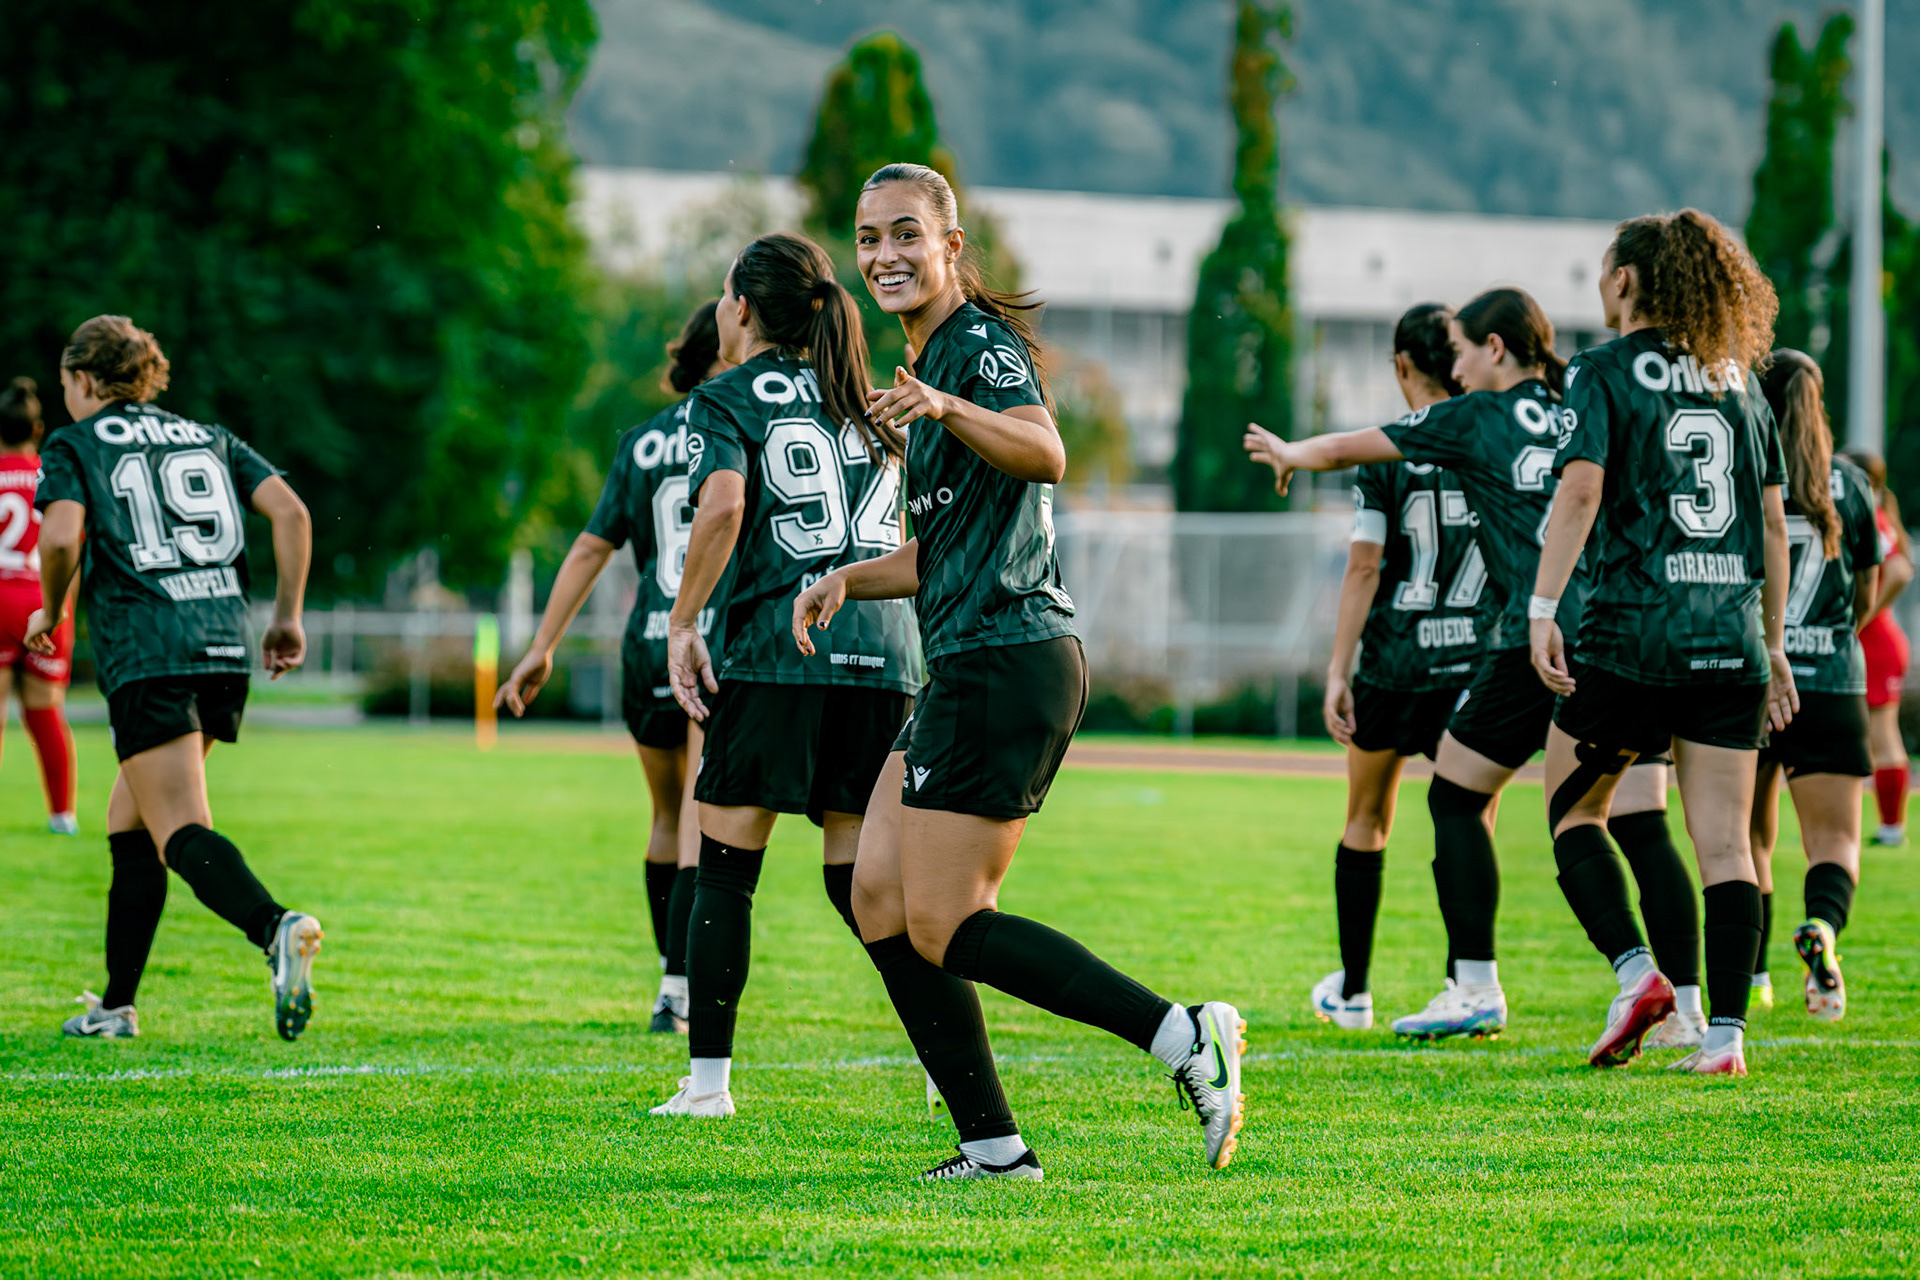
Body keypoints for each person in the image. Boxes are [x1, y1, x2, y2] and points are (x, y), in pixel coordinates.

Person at [792, 162, 1246, 1181]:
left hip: (1009, 656)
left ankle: (1184, 1033)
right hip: (967, 658)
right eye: (869, 239)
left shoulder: (975, 352)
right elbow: (937, 552)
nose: (885, 255)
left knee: (949, 921)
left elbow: (1047, 452)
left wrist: (946, 406)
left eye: (907, 234)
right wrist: (844, 580)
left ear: (953, 246)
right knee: (875, 892)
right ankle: (993, 1147)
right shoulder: (932, 364)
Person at [1249, 288, 1703, 1050]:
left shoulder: (1474, 416)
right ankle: (1690, 1010)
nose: (1454, 366)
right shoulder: (1581, 399)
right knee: (1640, 818)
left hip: (1540, 635)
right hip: (1629, 628)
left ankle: (1490, 985)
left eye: (1462, 348)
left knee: (1460, 796)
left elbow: (1353, 447)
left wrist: (1294, 452)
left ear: (1496, 349)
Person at [650, 231, 923, 1119]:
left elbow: (724, 506)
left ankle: (708, 1088)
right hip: (884, 658)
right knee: (860, 885)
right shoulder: (870, 401)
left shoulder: (725, 397)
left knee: (727, 869)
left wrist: (685, 620)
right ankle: (943, 1059)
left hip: (776, 651)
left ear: (740, 308)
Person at [1528, 209, 1789, 1077]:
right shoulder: (1740, 380)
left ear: (1631, 280)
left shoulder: (1603, 369)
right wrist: (1776, 644)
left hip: (1634, 636)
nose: (1601, 284)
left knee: (1573, 810)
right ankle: (1724, 1039)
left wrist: (1541, 608)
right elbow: (1775, 527)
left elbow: (1581, 492)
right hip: (1732, 638)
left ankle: (1639, 975)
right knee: (1725, 843)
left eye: (1607, 269)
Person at [28, 316, 320, 1041]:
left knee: (182, 829)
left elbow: (62, 535)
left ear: (86, 379)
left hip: (149, 649)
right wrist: (287, 618)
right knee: (130, 823)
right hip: (223, 646)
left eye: (67, 382)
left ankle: (275, 926)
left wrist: (52, 605)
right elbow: (290, 510)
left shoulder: (74, 443)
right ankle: (115, 1008)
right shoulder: (207, 436)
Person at [496, 302, 734, 1035]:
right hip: (712, 635)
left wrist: (543, 644)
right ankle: (691, 987)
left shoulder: (642, 443)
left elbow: (590, 548)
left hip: (646, 642)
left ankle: (670, 983)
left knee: (666, 816)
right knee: (703, 817)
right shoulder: (744, 421)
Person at [1310, 303, 1485, 1030]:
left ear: (1401, 365)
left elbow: (1363, 566)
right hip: (1471, 665)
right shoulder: (1490, 439)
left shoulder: (1390, 450)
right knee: (1467, 819)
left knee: (1366, 819)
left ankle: (1353, 991)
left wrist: (1338, 669)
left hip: (1394, 661)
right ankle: (1466, 981)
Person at [1748, 351, 1876, 1023]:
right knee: (1834, 844)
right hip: (1829, 678)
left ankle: (1750, 978)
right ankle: (1822, 929)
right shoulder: (1850, 486)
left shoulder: (1744, 475)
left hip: (1754, 678)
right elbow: (1868, 588)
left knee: (1746, 842)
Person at [0, 377, 79, 833]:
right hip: (43, 598)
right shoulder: (56, 474)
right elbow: (70, 546)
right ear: (38, 428)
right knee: (45, 708)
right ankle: (61, 815)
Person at [1848, 448, 1912, 845]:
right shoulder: (1869, 510)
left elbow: (1901, 570)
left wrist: (1862, 618)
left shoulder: (1869, 511)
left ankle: (1892, 829)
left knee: (1883, 738)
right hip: (1871, 642)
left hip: (1877, 643)